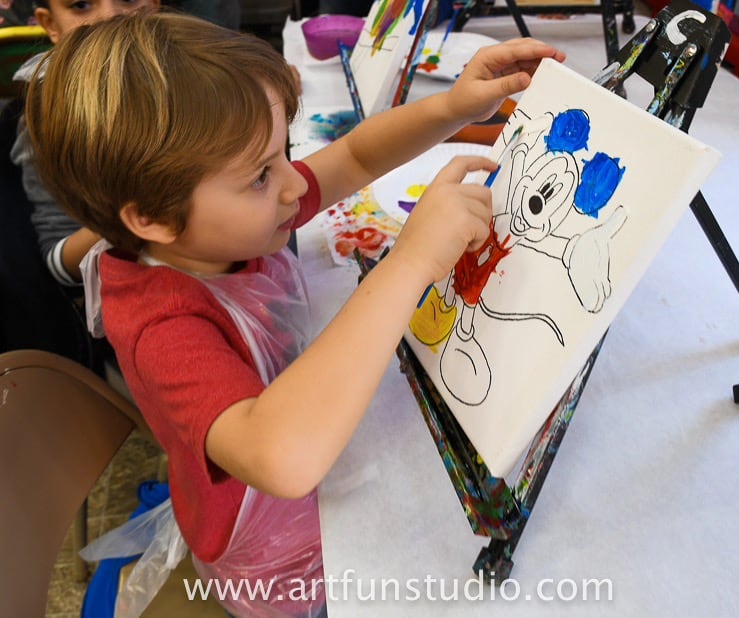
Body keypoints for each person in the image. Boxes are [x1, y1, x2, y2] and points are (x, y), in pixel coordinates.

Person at [26, 11, 564, 617]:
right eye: (260, 173)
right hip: (271, 564)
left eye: (283, 152)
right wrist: (409, 261)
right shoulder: (163, 328)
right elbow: (281, 457)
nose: (292, 185)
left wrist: (452, 110)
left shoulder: (217, 225)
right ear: (149, 218)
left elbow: (356, 157)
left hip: (315, 457)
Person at [10, 0, 160, 289]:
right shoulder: (50, 116)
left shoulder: (202, 78)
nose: (110, 15)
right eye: (80, 5)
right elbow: (58, 261)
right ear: (50, 24)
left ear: (155, 4)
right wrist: (138, 219)